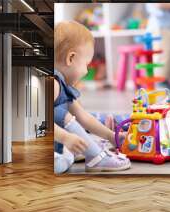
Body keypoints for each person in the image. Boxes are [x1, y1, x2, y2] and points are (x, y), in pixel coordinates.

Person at [54, 21, 130, 174]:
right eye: (86, 64)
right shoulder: (53, 83)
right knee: (60, 113)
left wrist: (111, 136)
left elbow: (84, 117)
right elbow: (42, 123)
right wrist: (65, 138)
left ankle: (84, 152)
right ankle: (96, 157)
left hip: (59, 148)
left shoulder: (64, 87)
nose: (87, 71)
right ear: (71, 58)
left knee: (71, 152)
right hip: (54, 150)